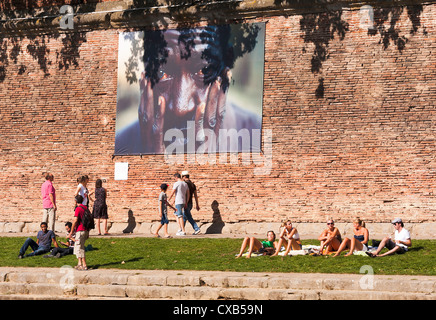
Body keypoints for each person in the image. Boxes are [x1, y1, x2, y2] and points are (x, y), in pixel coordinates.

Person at [114, 25, 262, 155]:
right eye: (162, 73)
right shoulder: (121, 143)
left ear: (224, 75)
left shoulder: (257, 135)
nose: (180, 108)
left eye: (203, 71)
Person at [69, 195, 89, 270]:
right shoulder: (86, 208)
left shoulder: (78, 209)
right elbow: (89, 220)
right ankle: (79, 264)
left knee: (80, 248)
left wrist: (71, 231)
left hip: (80, 230)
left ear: (76, 201)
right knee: (78, 246)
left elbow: (75, 220)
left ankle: (84, 265)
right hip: (85, 230)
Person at [181, 170, 201, 235]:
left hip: (186, 203)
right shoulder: (193, 185)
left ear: (184, 177)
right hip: (190, 203)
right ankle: (181, 230)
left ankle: (196, 228)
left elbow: (184, 194)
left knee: (188, 217)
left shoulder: (185, 184)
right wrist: (197, 204)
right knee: (184, 217)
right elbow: (195, 195)